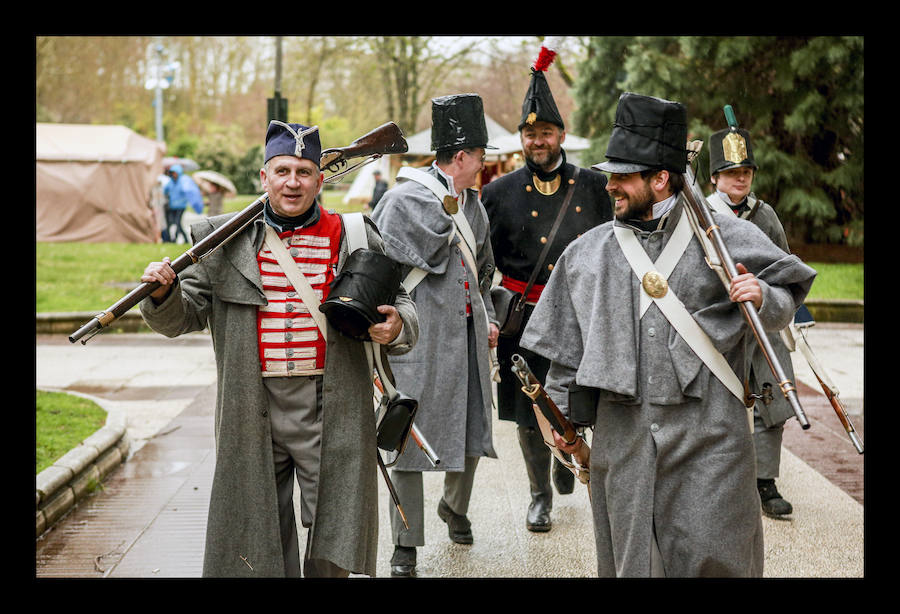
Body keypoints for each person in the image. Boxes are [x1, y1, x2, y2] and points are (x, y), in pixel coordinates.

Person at [519, 92, 816, 577]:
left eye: (622, 175)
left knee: (718, 560)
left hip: (713, 437)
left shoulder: (725, 237)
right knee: (631, 565)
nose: (609, 185)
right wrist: (562, 430)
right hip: (624, 440)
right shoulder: (586, 253)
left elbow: (786, 296)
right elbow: (563, 355)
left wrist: (762, 294)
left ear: (660, 179)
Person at [139, 121, 419, 578]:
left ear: (320, 178)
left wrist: (396, 325)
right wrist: (160, 295)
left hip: (331, 401)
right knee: (256, 525)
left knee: (335, 522)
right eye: (283, 170)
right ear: (263, 177)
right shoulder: (220, 240)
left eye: (305, 171)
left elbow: (401, 302)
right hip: (251, 401)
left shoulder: (353, 232)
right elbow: (183, 316)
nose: (293, 182)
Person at [481, 45, 613, 533]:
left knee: (577, 400)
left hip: (581, 317)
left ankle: (567, 458)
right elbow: (481, 261)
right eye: (530, 133)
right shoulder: (497, 193)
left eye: (547, 132)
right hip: (524, 320)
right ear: (522, 137)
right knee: (527, 410)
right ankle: (539, 495)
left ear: (561, 134)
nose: (539, 140)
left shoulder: (595, 186)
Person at [371, 93, 499, 577]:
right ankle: (405, 546)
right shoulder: (402, 199)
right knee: (408, 438)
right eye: (481, 158)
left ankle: (455, 507)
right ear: (462, 156)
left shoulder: (472, 205)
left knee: (470, 427)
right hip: (416, 341)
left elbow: (483, 269)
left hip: (465, 340)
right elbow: (377, 271)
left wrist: (486, 314)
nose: (484, 167)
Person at [706, 123, 797, 517]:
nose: (740, 178)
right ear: (714, 177)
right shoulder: (700, 214)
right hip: (718, 322)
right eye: (731, 172)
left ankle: (765, 481)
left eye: (746, 171)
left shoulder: (766, 215)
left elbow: (785, 267)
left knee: (772, 399)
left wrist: (794, 313)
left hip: (762, 322)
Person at [163, 164, 204, 243]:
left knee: (178, 223)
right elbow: (165, 191)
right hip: (172, 206)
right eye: (172, 173)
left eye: (175, 172)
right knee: (174, 224)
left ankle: (180, 239)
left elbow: (190, 191)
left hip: (181, 206)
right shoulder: (170, 182)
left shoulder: (183, 181)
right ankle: (179, 239)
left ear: (178, 172)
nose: (174, 174)